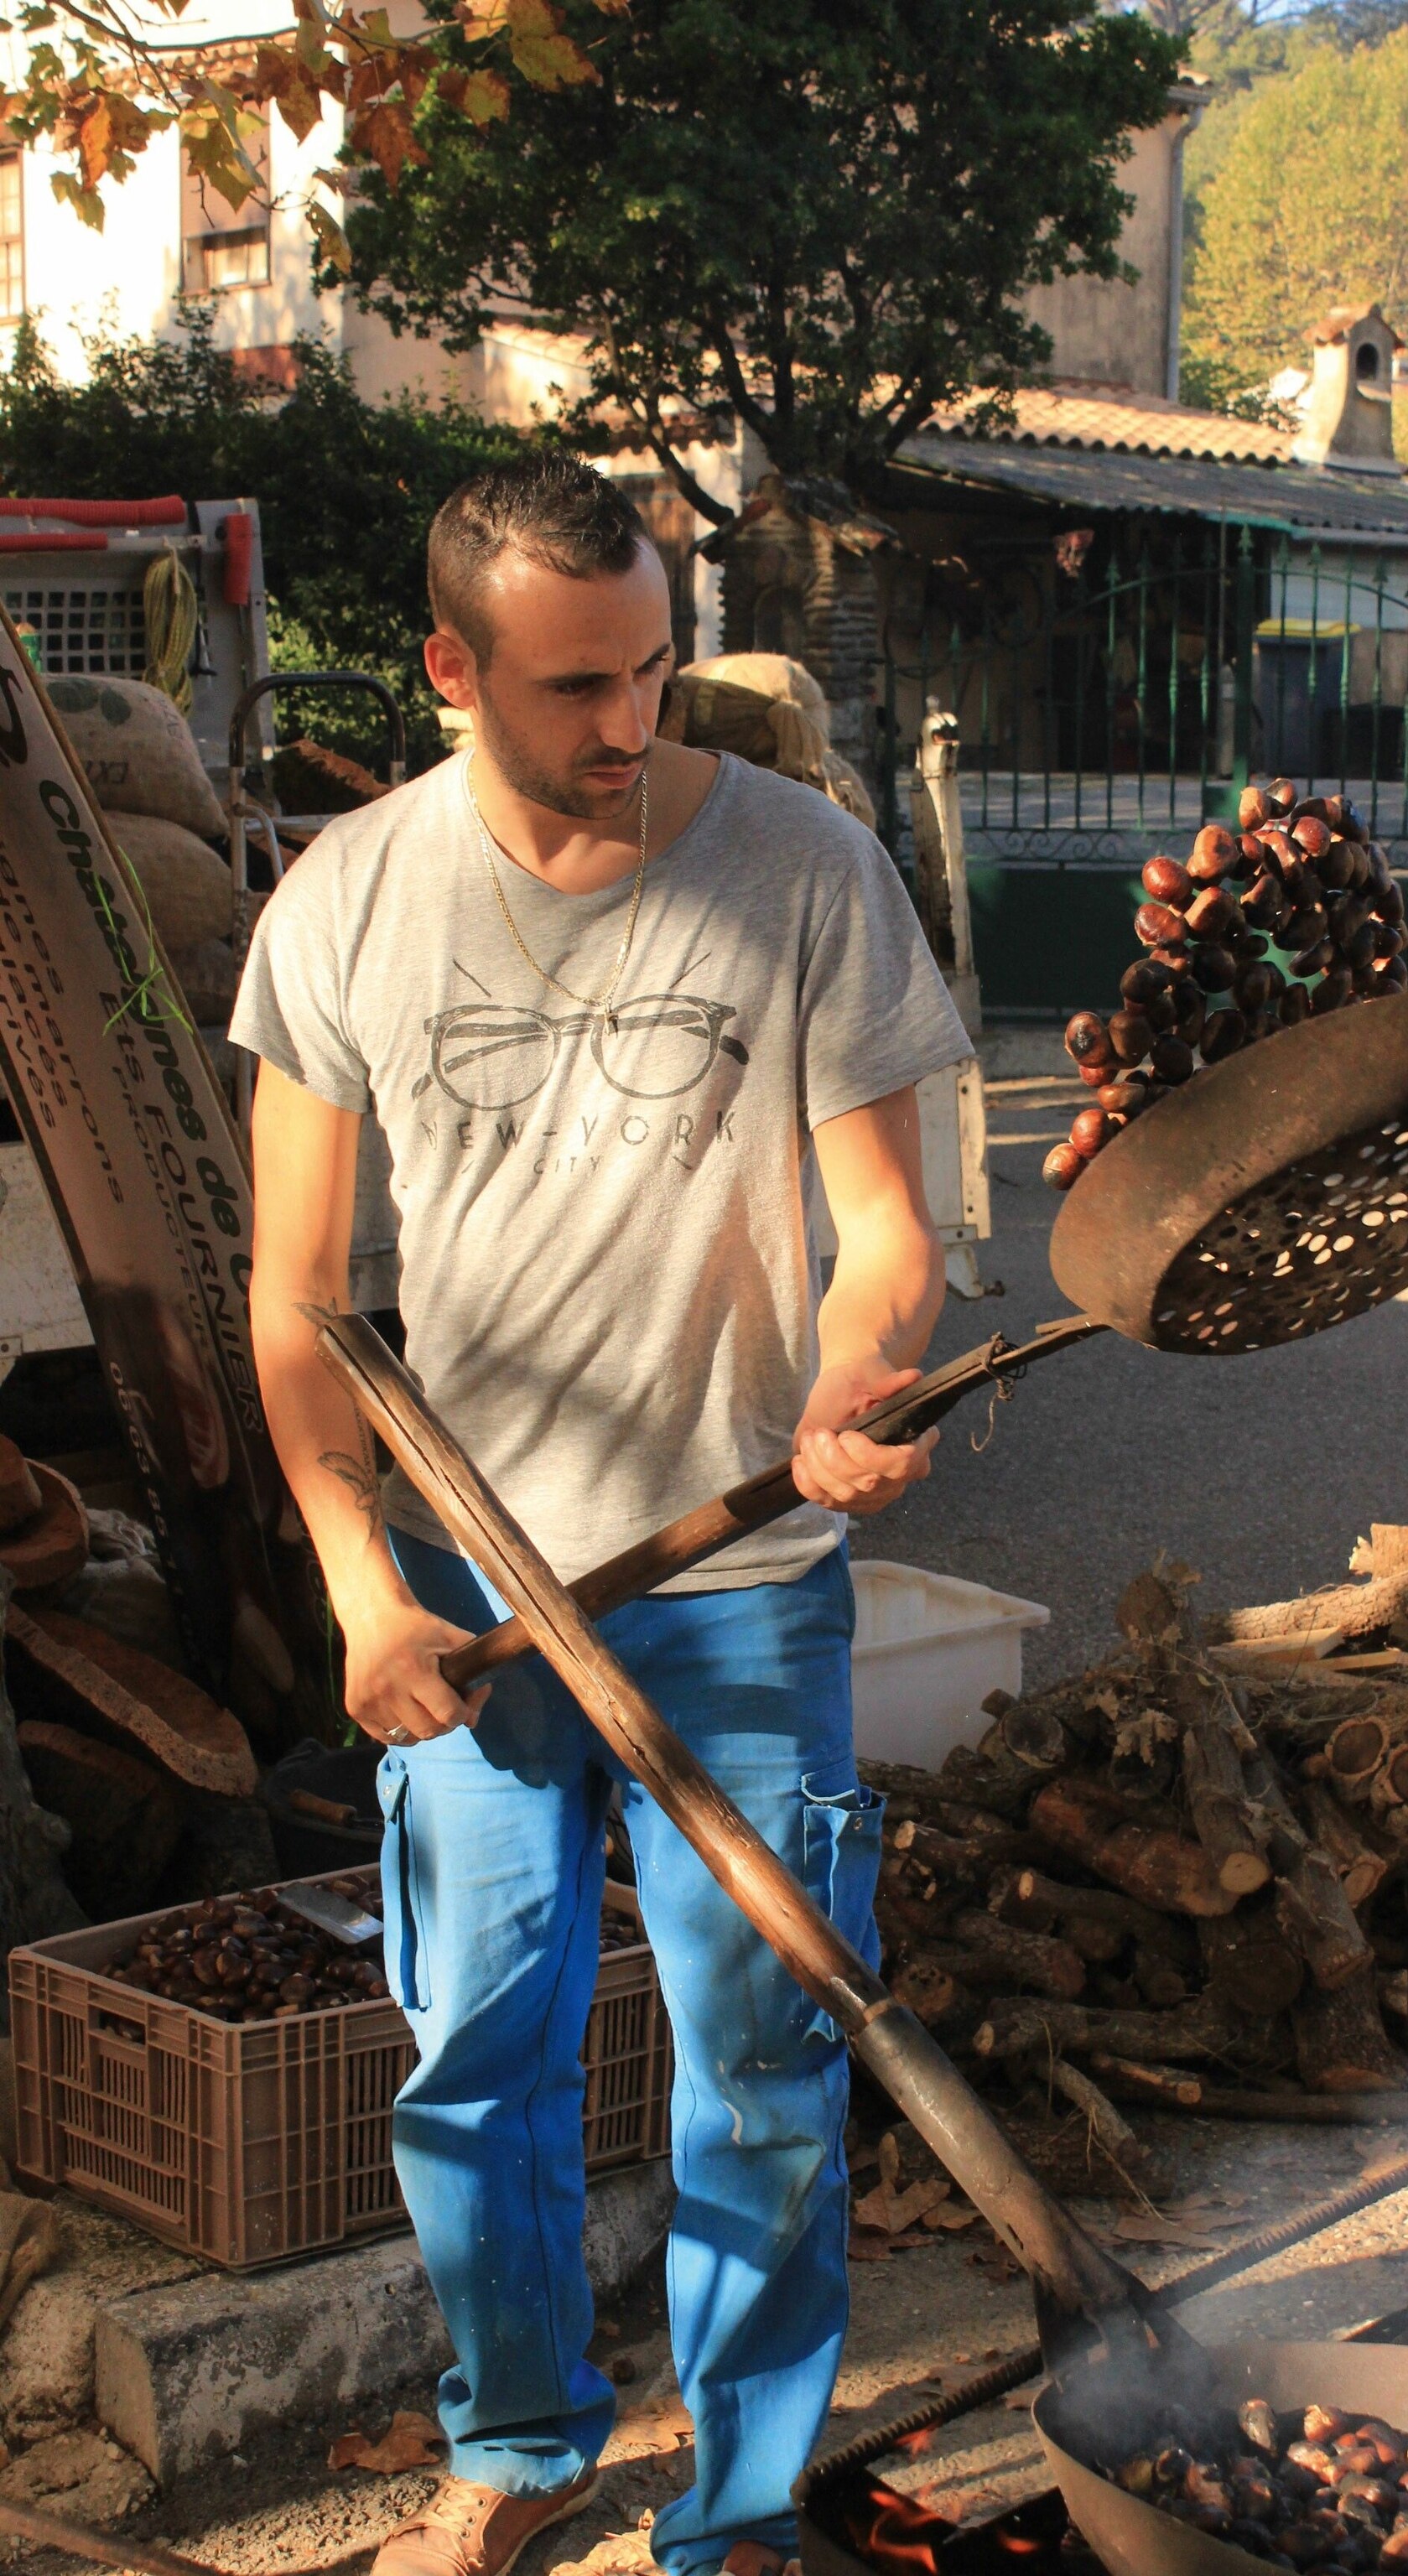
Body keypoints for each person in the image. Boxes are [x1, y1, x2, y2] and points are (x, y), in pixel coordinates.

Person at [235, 454, 971, 2576]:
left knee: (760, 2066)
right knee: (480, 2055)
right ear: (452, 667)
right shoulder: (346, 905)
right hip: (471, 1592)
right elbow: (294, 1302)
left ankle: (734, 2517)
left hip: (734, 1588)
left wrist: (858, 1370)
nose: (630, 725)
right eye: (573, 687)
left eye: (651, 666)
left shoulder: (808, 871)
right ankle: (525, 2446)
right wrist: (363, 1594)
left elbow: (885, 1236)